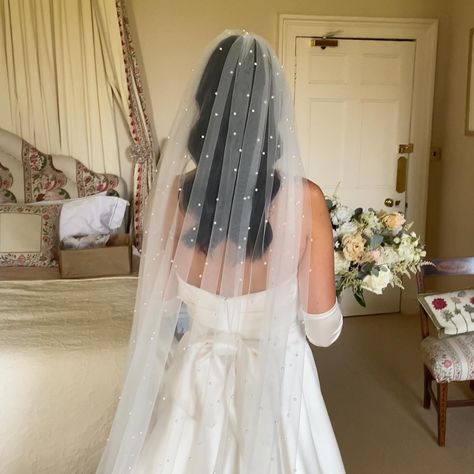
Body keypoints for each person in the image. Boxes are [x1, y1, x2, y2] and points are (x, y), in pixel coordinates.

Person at [96, 31, 345, 474]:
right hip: (280, 383)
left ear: (203, 112)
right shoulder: (305, 201)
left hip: (196, 381)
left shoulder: (171, 196)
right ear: (274, 113)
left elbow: (162, 306)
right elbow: (323, 331)